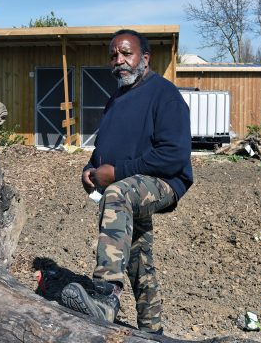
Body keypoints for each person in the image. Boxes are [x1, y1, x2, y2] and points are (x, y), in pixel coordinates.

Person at [61, 29, 193, 334]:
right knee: (137, 256)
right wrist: (90, 168)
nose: (119, 61)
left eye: (126, 53)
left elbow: (174, 155)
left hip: (164, 181)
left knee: (118, 194)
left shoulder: (165, 95)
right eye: (113, 55)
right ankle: (152, 330)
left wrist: (117, 174)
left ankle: (106, 297)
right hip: (133, 184)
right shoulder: (117, 99)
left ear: (145, 58)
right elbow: (104, 147)